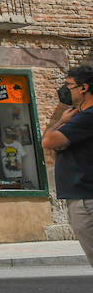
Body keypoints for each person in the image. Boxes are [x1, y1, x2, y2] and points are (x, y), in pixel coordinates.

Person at [41, 65, 93, 269]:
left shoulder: (87, 117)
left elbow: (48, 141)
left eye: (69, 85)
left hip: (86, 200)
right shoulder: (82, 118)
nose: (64, 90)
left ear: (84, 88)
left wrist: (60, 122)